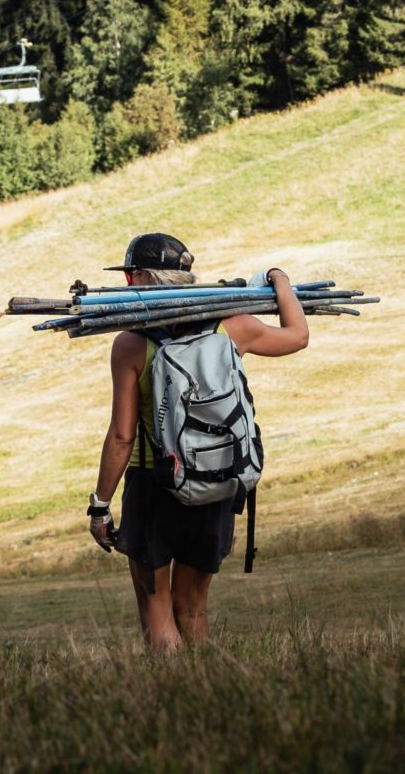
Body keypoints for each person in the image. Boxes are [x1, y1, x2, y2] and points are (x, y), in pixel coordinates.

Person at [85, 233, 309, 651]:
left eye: (131, 275)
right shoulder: (233, 326)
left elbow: (122, 436)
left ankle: (173, 705)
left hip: (154, 486)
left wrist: (99, 505)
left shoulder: (132, 344)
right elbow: (297, 336)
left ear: (139, 279)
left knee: (157, 612)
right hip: (216, 481)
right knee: (193, 609)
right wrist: (278, 277)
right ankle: (210, 693)